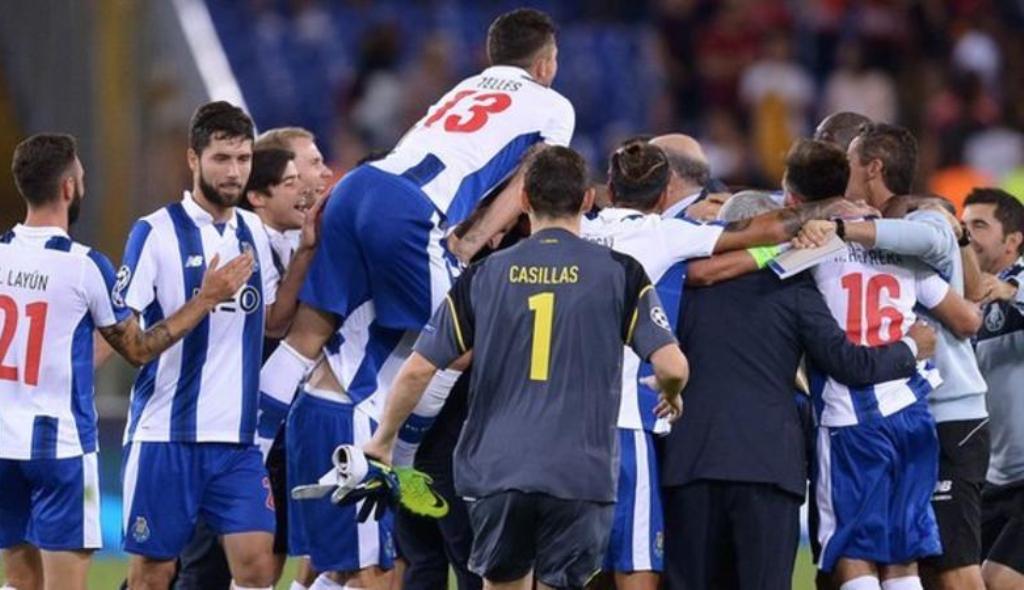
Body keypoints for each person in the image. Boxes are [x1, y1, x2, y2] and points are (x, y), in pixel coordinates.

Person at [253, 9, 576, 589]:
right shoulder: (553, 105)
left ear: (492, 56)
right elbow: (531, 179)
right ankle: (399, 464)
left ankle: (249, 451)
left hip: (361, 185)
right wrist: (471, 239)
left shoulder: (462, 88)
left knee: (314, 335)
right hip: (411, 212)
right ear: (547, 63)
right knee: (459, 343)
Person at [363, 145, 689, 590]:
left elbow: (419, 369)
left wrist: (383, 440)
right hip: (581, 471)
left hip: (499, 468)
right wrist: (670, 393)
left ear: (524, 199)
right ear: (587, 200)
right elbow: (672, 364)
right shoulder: (621, 272)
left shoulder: (485, 274)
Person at [0, 133, 251, 590]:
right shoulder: (84, 266)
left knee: (19, 581)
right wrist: (206, 299)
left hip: (2, 443)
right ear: (68, 188)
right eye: (81, 177)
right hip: (60, 449)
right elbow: (138, 349)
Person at [661, 190, 939, 590]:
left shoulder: (684, 287)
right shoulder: (793, 290)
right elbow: (850, 363)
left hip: (690, 463)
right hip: (768, 467)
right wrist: (911, 347)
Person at [115, 101, 311, 590]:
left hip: (236, 443)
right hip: (166, 436)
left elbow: (272, 323)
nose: (234, 172)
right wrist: (205, 299)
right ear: (193, 159)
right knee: (153, 575)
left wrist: (307, 251)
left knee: (258, 568)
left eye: (243, 159)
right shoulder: (155, 232)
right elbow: (133, 347)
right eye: (222, 158)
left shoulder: (252, 232)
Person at [173, 146, 322, 590]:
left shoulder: (293, 246)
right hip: (224, 428)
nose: (306, 189)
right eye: (291, 182)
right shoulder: (231, 250)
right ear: (258, 198)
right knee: (202, 565)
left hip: (276, 426)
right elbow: (274, 325)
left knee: (263, 560)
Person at [962, 188, 1024, 590]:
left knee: (999, 581)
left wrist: (1012, 291)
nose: (967, 234)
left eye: (980, 225)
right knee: (955, 578)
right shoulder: (966, 296)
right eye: (963, 225)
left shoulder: (1014, 285)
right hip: (992, 476)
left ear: (1012, 240)